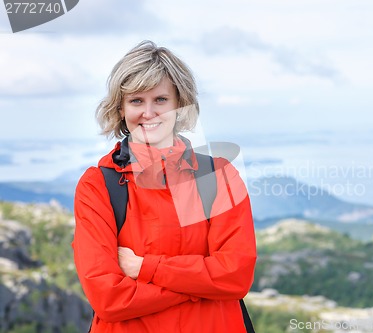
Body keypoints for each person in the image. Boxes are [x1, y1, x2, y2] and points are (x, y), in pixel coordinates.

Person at [72, 40, 257, 333]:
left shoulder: (218, 174)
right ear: (120, 109)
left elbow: (235, 277)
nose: (149, 112)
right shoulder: (98, 185)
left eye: (160, 100)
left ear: (179, 105)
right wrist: (203, 284)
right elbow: (108, 298)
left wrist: (146, 268)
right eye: (136, 101)